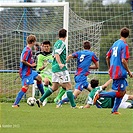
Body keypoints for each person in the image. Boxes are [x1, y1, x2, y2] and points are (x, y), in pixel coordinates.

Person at [93, 27, 133, 114]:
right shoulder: (124, 45)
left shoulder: (115, 43)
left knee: (122, 91)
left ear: (120, 34)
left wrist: (110, 68)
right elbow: (123, 60)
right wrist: (129, 71)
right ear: (128, 35)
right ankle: (100, 95)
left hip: (114, 70)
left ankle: (114, 110)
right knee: (121, 93)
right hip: (120, 72)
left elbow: (107, 57)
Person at [36, 28, 76, 108]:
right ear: (66, 35)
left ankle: (40, 100)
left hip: (54, 68)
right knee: (68, 86)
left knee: (54, 87)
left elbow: (54, 55)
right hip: (60, 68)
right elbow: (57, 54)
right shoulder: (61, 43)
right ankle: (73, 106)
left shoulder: (56, 43)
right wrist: (60, 63)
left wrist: (66, 59)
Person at [56, 41, 99, 108]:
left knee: (94, 92)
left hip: (80, 76)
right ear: (90, 47)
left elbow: (70, 55)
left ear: (83, 47)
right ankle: (60, 102)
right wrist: (88, 67)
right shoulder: (91, 54)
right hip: (81, 77)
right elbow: (97, 66)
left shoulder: (79, 53)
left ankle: (99, 107)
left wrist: (65, 62)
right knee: (74, 96)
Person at [12, 34, 44, 108]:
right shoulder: (27, 50)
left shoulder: (28, 49)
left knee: (39, 78)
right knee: (25, 87)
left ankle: (43, 98)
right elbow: (23, 60)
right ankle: (15, 104)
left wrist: (31, 64)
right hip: (25, 72)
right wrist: (31, 65)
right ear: (33, 41)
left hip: (30, 71)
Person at [36, 41, 66, 106]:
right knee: (46, 81)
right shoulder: (40, 56)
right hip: (43, 74)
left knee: (65, 85)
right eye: (45, 46)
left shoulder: (53, 55)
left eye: (47, 46)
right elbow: (38, 69)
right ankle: (44, 99)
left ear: (50, 47)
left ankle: (57, 98)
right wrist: (44, 66)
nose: (46, 48)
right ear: (42, 47)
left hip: (53, 74)